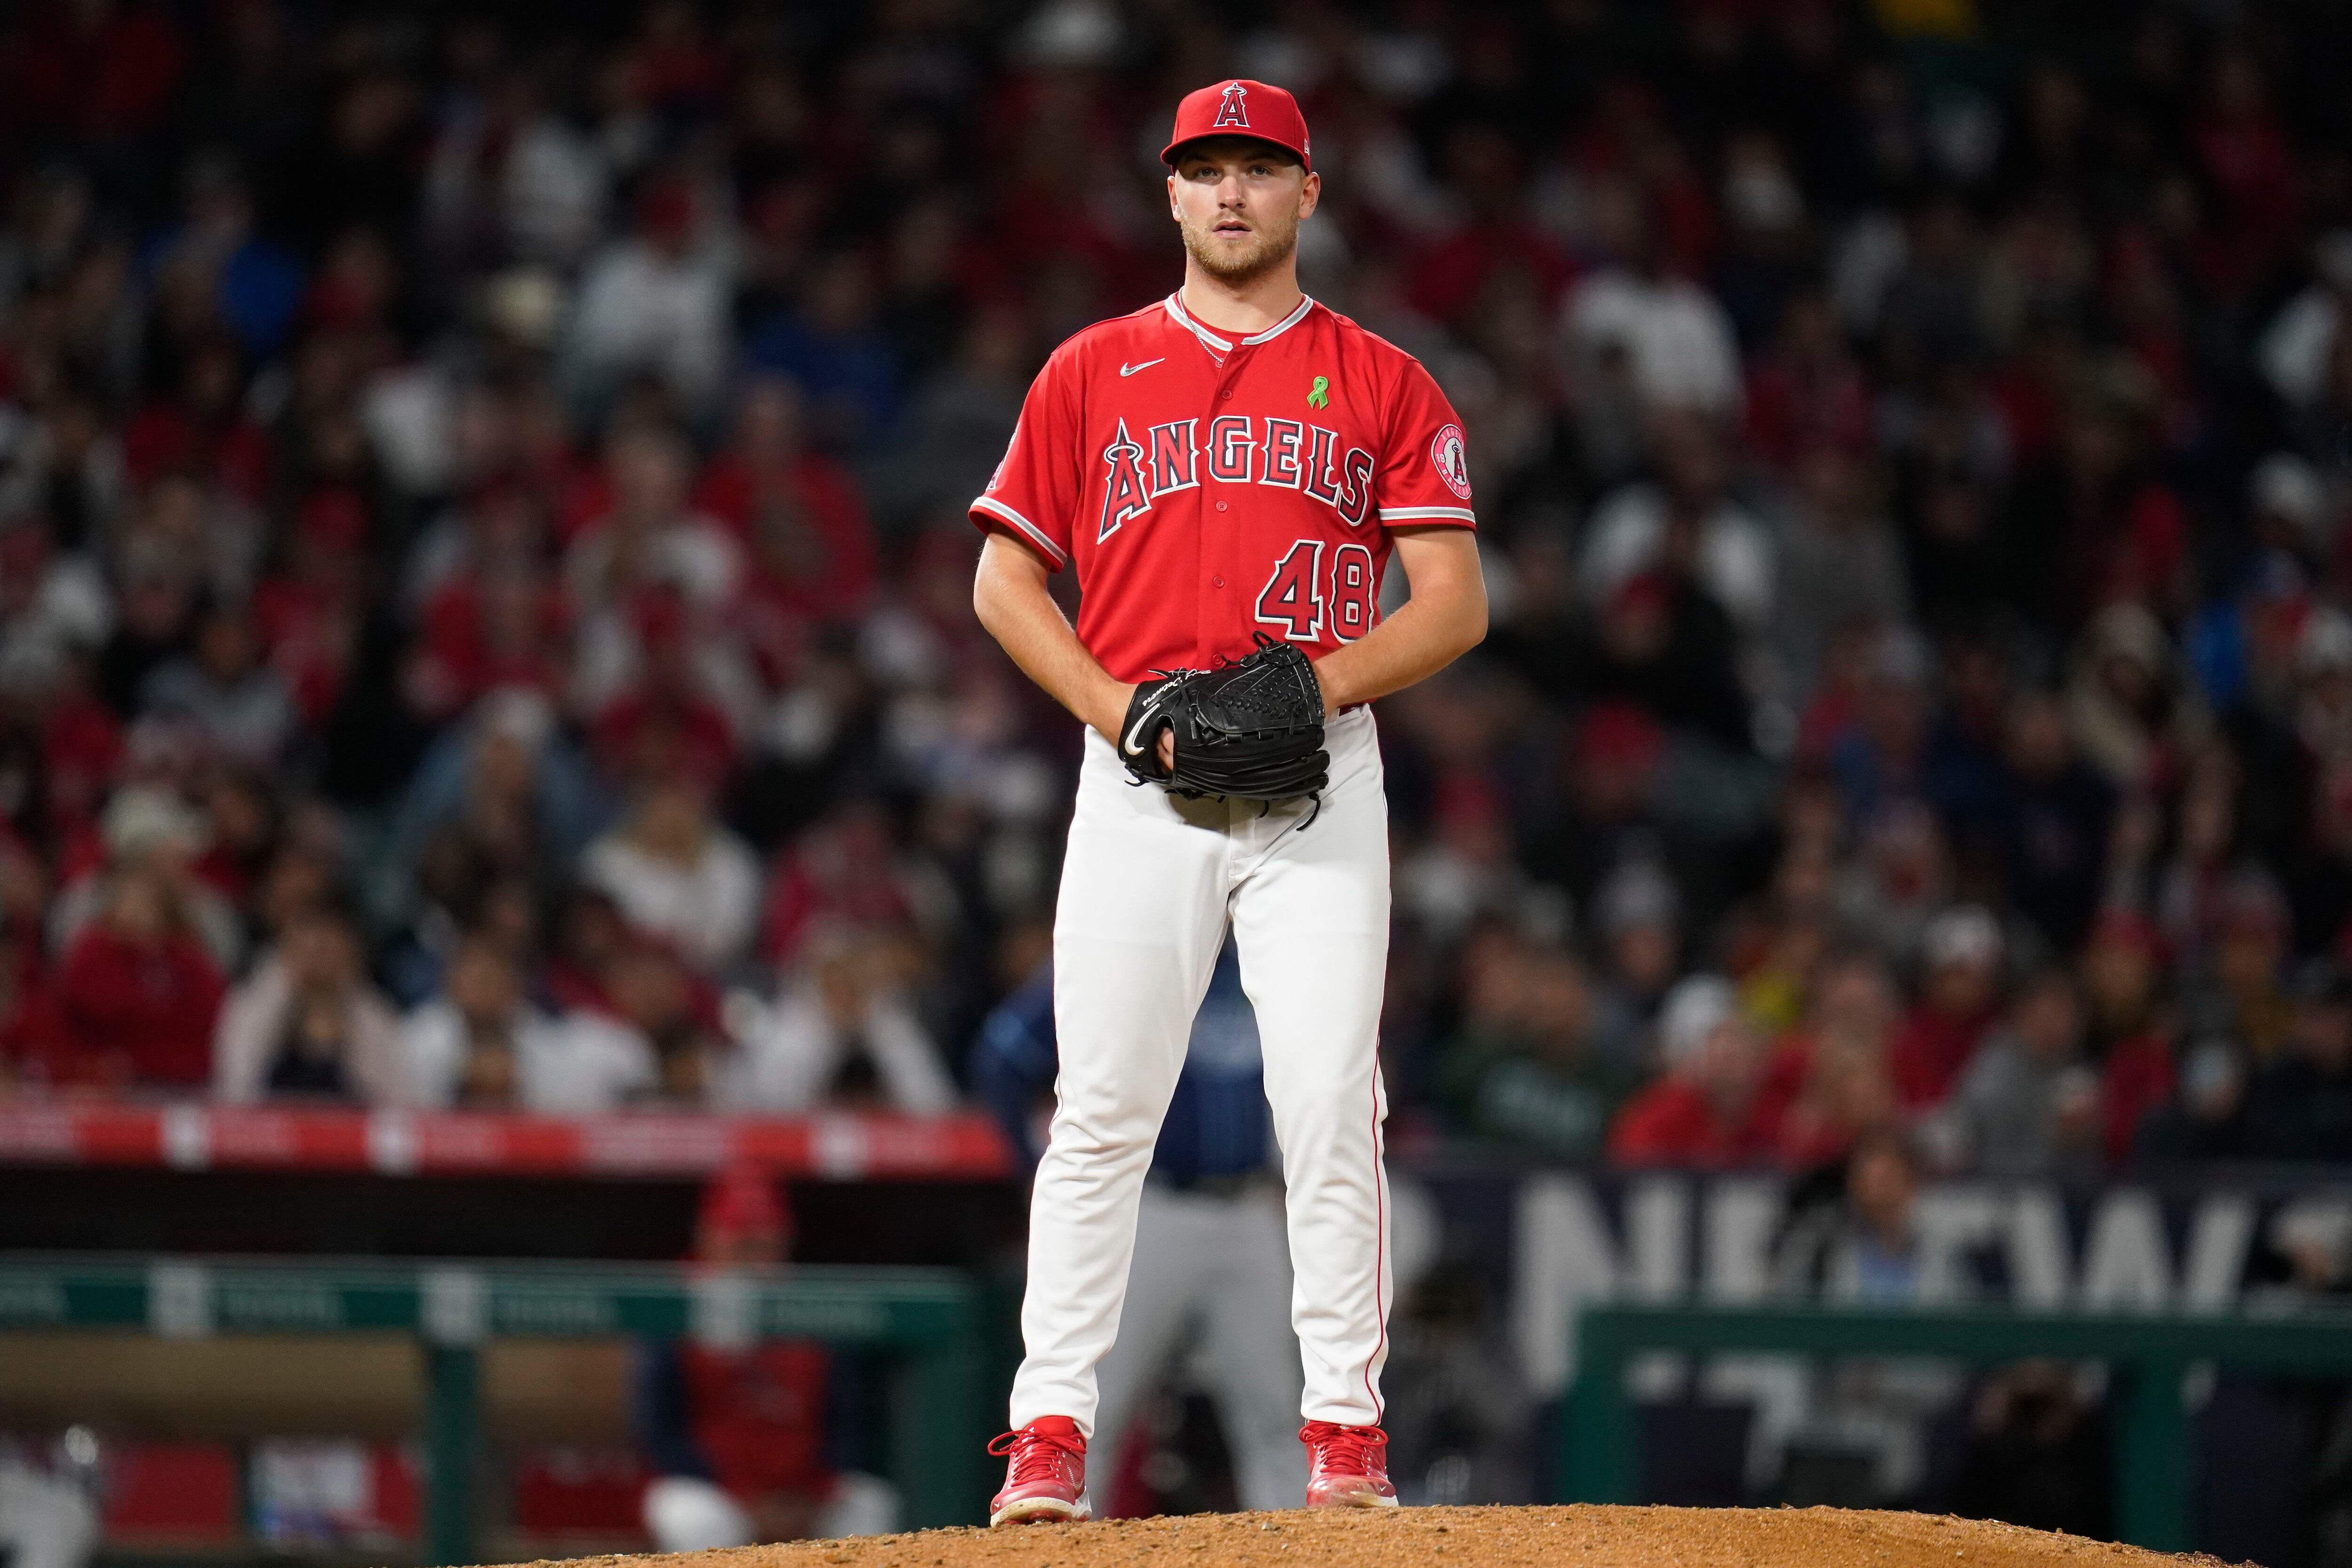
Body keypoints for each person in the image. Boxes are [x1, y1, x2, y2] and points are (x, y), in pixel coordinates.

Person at [968, 79, 1487, 1523]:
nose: (1232, 194)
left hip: (1318, 783)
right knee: (1101, 1110)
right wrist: (1113, 709)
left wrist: (1313, 687)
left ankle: (1344, 1439)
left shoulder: (1384, 379)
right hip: (1137, 778)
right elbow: (1001, 580)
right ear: (1171, 194)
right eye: (1207, 171)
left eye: (1260, 169)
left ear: (1307, 194)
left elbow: (1454, 602)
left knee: (1328, 1098)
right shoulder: (1087, 370)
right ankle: (1052, 1432)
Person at [971, 940, 1306, 1513]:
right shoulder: (1127, 943)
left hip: (1250, 1210)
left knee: (1282, 1418)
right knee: (1094, 1410)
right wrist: (1036, 1173)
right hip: (1149, 1210)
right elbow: (1002, 1057)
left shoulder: (1267, 953)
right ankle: (1063, 1553)